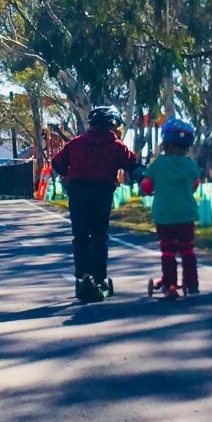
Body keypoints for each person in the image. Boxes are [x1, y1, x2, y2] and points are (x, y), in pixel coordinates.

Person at [51, 105, 139, 302]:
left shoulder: (76, 143)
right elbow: (132, 164)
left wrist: (69, 176)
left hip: (78, 192)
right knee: (99, 236)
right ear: (112, 124)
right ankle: (99, 279)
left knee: (81, 235)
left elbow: (57, 163)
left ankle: (83, 276)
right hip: (102, 193)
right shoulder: (116, 146)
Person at [141, 118, 203, 297]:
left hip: (164, 215)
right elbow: (195, 184)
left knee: (167, 250)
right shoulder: (190, 165)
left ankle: (169, 285)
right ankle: (191, 285)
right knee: (187, 249)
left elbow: (146, 186)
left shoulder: (157, 165)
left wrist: (151, 190)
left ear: (165, 143)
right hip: (186, 214)